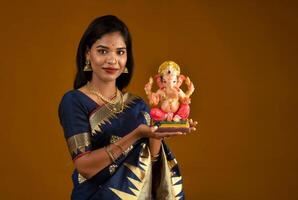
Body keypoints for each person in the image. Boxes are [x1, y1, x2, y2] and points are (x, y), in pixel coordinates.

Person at [58, 15, 197, 200]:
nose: (112, 60)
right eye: (102, 51)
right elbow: (85, 167)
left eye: (120, 52)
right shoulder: (74, 101)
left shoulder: (137, 104)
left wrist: (157, 134)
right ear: (87, 53)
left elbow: (152, 166)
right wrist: (137, 134)